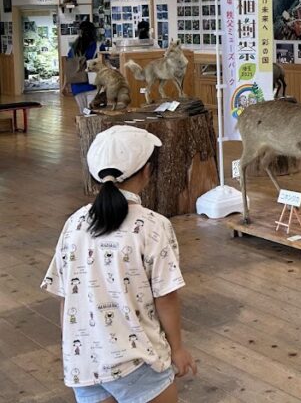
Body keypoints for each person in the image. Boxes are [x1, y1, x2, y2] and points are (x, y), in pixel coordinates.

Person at [41, 126, 196, 402]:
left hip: (85, 362)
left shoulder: (74, 223)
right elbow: (166, 297)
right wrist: (178, 348)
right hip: (137, 360)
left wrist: (77, 346)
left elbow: (66, 296)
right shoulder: (154, 226)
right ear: (147, 171)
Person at [64, 21, 99, 114]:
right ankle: (93, 127)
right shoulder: (98, 47)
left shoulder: (73, 48)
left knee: (83, 112)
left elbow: (69, 67)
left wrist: (65, 84)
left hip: (77, 85)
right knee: (93, 112)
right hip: (93, 84)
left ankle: (85, 126)